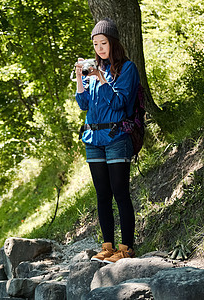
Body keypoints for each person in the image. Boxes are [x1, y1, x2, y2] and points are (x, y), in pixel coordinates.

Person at [75, 18, 139, 263]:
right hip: (92, 138)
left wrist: (102, 78)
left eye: (103, 43)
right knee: (102, 194)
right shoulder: (92, 72)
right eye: (95, 44)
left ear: (113, 43)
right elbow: (83, 104)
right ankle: (108, 247)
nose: (99, 48)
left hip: (116, 137)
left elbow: (119, 103)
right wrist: (82, 76)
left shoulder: (126, 69)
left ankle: (127, 247)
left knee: (120, 192)